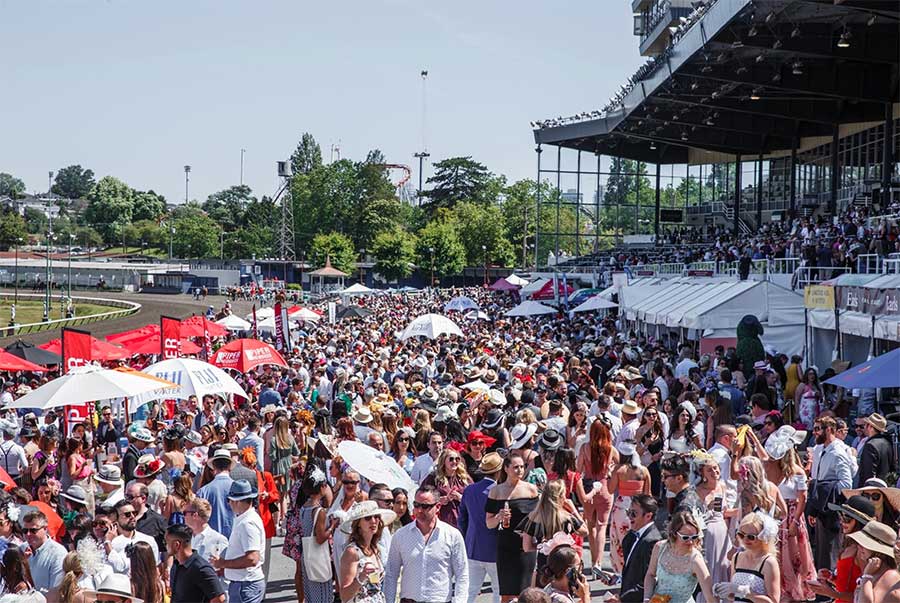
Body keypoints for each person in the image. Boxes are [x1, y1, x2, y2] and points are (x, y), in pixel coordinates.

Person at [383, 485, 468, 603]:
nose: (419, 510)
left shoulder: (452, 535)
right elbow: (391, 574)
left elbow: (462, 574)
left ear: (437, 507)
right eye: (416, 505)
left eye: (425, 506)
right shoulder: (401, 535)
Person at [485, 454, 539, 602]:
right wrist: (498, 517)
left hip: (524, 546)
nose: (519, 470)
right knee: (506, 593)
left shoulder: (531, 489)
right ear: (506, 468)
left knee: (526, 592)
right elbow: (488, 523)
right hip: (505, 546)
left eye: (522, 466)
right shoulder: (496, 491)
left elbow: (538, 518)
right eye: (515, 467)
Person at [805, 495, 875, 603]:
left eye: (847, 518)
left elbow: (863, 596)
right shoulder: (849, 544)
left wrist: (830, 593)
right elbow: (848, 584)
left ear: (859, 522)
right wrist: (831, 578)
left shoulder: (862, 550)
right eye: (841, 516)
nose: (842, 521)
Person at [809, 416, 855, 570]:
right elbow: (816, 477)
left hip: (832, 510)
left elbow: (846, 484)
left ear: (829, 430)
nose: (814, 432)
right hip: (821, 508)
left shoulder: (838, 452)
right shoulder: (819, 449)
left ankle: (830, 591)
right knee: (821, 552)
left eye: (817, 429)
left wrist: (825, 490)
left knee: (830, 553)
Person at [210, 480, 266, 603]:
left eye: (229, 500)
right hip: (244, 584)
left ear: (238, 501)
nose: (229, 503)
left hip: (245, 584)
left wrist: (223, 563)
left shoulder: (247, 523)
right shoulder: (246, 519)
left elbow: (252, 558)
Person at [643, 510, 716, 603]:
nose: (690, 542)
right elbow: (650, 574)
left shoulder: (696, 560)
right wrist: (647, 598)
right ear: (674, 534)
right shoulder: (660, 548)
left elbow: (710, 596)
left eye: (694, 537)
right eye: (685, 537)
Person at [459, 452, 502, 603]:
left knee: (470, 591)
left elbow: (462, 519)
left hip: (472, 546)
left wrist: (466, 539)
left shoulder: (469, 490)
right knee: (498, 590)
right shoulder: (500, 491)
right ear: (499, 471)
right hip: (494, 549)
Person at [575, 418, 617, 572]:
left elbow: (578, 471)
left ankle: (593, 560)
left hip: (588, 488)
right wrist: (610, 470)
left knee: (591, 525)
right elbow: (621, 463)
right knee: (602, 526)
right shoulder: (611, 449)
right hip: (605, 487)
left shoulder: (584, 448)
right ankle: (597, 563)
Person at [713, 512, 781, 603]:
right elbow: (736, 597)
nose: (745, 539)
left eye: (751, 537)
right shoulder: (736, 557)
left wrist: (745, 592)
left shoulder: (768, 562)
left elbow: (773, 601)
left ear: (763, 537)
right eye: (741, 535)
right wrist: (727, 592)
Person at [291, 466, 335, 603]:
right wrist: (333, 526)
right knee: (322, 595)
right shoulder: (319, 511)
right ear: (322, 487)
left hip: (307, 554)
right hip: (318, 556)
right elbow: (321, 537)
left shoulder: (305, 506)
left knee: (311, 593)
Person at [338, 501, 396, 603]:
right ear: (358, 523)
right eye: (368, 518)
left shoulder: (375, 549)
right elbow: (344, 596)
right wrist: (361, 577)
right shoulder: (352, 552)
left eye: (376, 516)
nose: (373, 521)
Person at [606, 441, 651, 573]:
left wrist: (610, 475)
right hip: (640, 509)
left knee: (620, 543)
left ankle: (622, 571)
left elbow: (610, 490)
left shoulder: (618, 470)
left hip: (622, 509)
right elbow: (648, 494)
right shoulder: (644, 471)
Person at [166, 523, 227, 603]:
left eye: (166, 542)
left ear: (176, 545)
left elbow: (220, 599)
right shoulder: (176, 565)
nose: (165, 545)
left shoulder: (201, 568)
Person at [618, 494, 663, 603]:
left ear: (648, 516)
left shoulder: (652, 541)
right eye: (629, 512)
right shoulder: (631, 536)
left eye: (634, 514)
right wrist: (617, 578)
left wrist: (623, 598)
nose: (629, 517)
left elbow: (648, 580)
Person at [847, 520, 900, 603]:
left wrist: (866, 577)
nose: (859, 547)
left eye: (864, 545)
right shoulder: (874, 571)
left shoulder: (890, 575)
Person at [421, 448, 472, 529]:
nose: (454, 462)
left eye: (457, 459)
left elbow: (474, 498)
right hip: (442, 520)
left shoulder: (464, 478)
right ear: (443, 461)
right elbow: (422, 496)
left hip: (463, 520)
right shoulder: (433, 477)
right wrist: (438, 500)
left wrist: (460, 497)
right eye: (451, 459)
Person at [109, 500, 160, 574]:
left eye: (135, 513)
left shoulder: (148, 540)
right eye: (127, 514)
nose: (132, 517)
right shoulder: (111, 543)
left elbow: (155, 568)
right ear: (116, 518)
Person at [23, 510, 66, 595]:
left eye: (33, 530)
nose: (28, 534)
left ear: (45, 529)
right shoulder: (21, 549)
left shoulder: (58, 553)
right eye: (25, 530)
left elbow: (56, 591)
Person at [197, 448, 235, 537]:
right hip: (234, 540)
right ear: (229, 466)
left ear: (213, 466)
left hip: (211, 540)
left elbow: (199, 519)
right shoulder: (237, 488)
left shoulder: (204, 491)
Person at [268, 416, 299, 522]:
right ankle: (284, 520)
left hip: (277, 467)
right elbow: (297, 453)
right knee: (285, 495)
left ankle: (276, 521)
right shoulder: (290, 438)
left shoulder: (273, 440)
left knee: (277, 496)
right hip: (288, 467)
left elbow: (272, 456)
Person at [126, 482, 167, 555]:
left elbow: (166, 549)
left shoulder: (158, 521)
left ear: (143, 498)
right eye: (126, 496)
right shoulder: (122, 517)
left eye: (131, 497)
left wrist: (167, 566)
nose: (127, 500)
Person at [858, 414, 896, 485]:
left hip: (872, 490)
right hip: (885, 487)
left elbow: (868, 474)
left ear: (870, 426)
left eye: (865, 425)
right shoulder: (887, 442)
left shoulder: (870, 445)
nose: (864, 428)